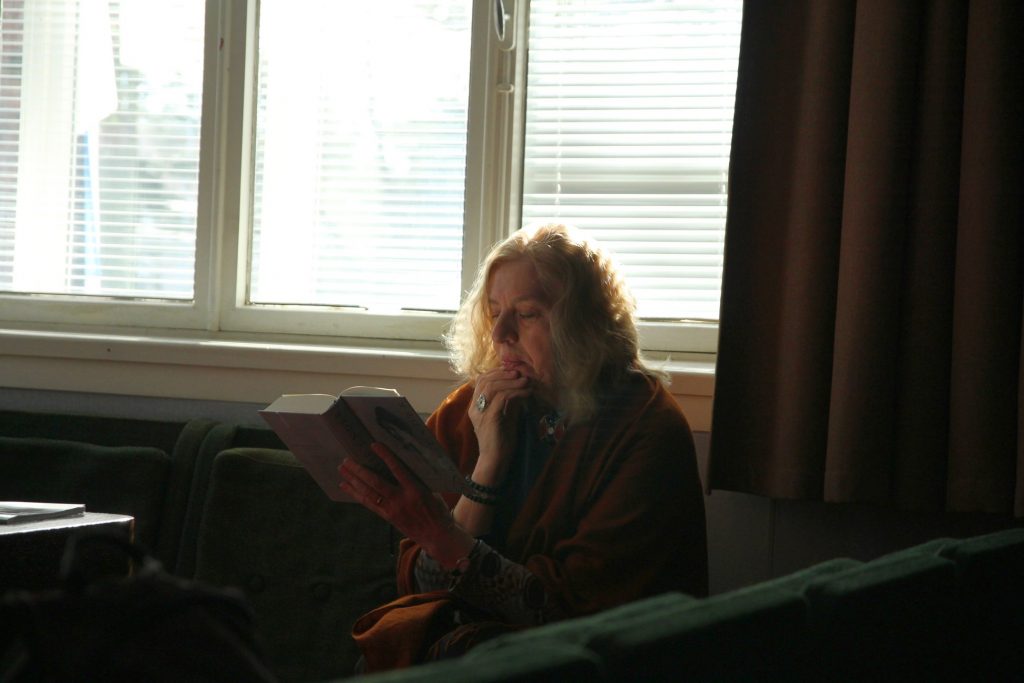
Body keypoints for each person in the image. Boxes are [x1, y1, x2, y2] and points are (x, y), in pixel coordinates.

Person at [338, 223, 707, 671]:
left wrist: (441, 535)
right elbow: (422, 586)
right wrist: (488, 465)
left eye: (527, 314)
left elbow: (569, 612)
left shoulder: (646, 427)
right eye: (494, 312)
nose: (500, 334)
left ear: (586, 323)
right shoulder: (470, 408)